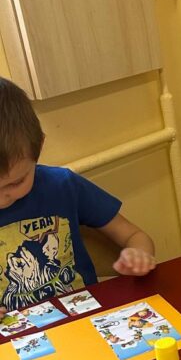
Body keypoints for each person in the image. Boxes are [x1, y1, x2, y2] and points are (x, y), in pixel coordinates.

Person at [0, 77, 155, 311]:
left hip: (86, 316)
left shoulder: (63, 185)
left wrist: (139, 255)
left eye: (16, 182)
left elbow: (134, 235)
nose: (2, 199)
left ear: (39, 147)